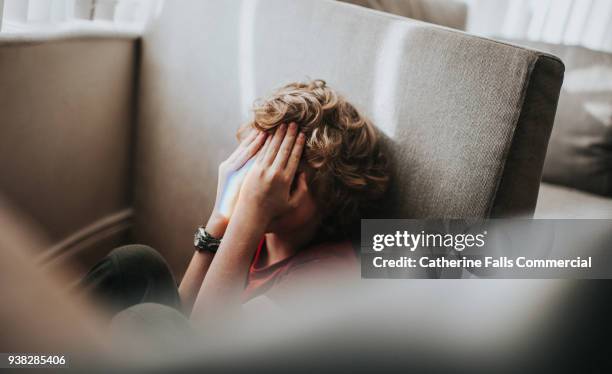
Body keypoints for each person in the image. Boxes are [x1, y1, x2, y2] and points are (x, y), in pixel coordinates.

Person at [80, 79, 389, 320]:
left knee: (151, 320)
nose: (260, 184)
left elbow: (202, 343)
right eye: (258, 163)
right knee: (134, 264)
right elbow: (184, 311)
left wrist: (250, 216)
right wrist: (222, 213)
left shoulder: (327, 272)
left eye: (285, 173)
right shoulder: (255, 233)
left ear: (332, 197)